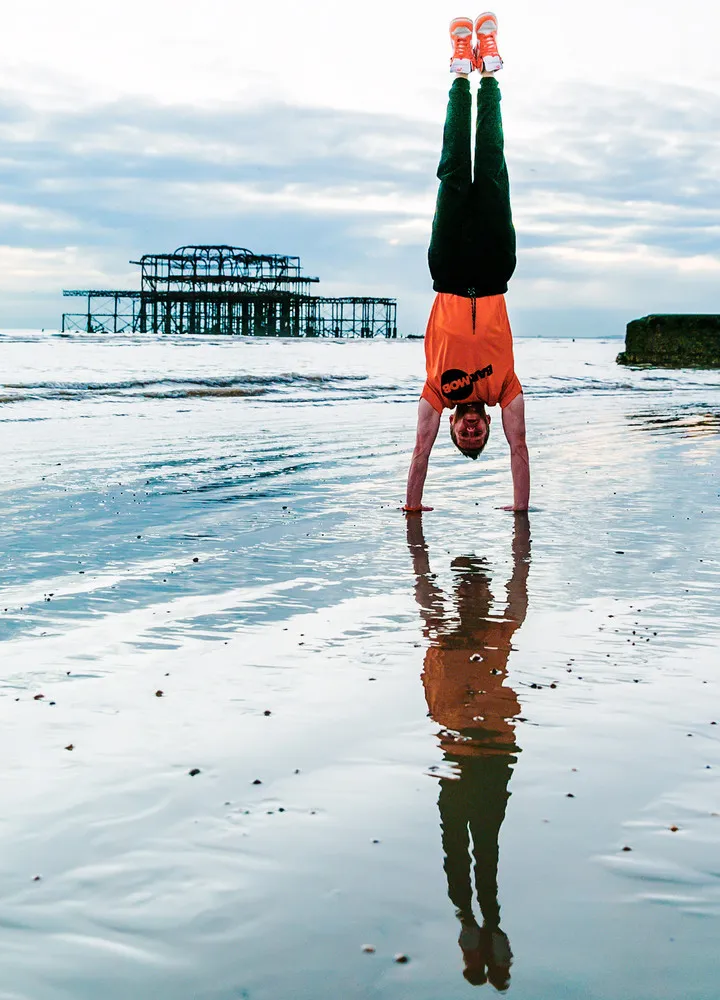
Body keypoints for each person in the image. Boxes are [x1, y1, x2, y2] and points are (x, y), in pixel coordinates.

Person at [404, 13, 529, 514]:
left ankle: (460, 70)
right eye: (478, 437)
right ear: (487, 427)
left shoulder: (437, 391)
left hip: (450, 271)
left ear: (453, 426)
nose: (471, 430)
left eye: (464, 435)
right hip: (496, 270)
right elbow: (520, 450)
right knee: (493, 162)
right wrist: (520, 509)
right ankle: (490, 71)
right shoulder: (506, 390)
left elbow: (418, 452)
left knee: (455, 166)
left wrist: (413, 508)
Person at [406, 512, 531, 990]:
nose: (471, 595)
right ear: (457, 597)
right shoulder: (441, 630)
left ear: (489, 594)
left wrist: (521, 546)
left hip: (493, 750)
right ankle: (471, 919)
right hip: (458, 751)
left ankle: (487, 919)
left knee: (485, 841)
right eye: (465, 590)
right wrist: (416, 543)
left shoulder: (503, 630)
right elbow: (422, 584)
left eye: (478, 590)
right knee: (457, 838)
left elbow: (520, 582)